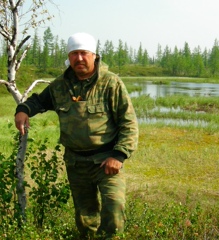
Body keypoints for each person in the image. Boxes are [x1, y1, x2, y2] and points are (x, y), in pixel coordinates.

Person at [15, 32, 138, 239]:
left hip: (106, 160)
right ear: (68, 57)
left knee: (114, 211)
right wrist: (23, 109)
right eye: (74, 54)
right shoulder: (60, 85)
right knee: (85, 218)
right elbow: (39, 101)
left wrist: (119, 156)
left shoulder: (111, 84)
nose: (79, 58)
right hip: (76, 163)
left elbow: (129, 123)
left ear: (94, 55)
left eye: (84, 53)